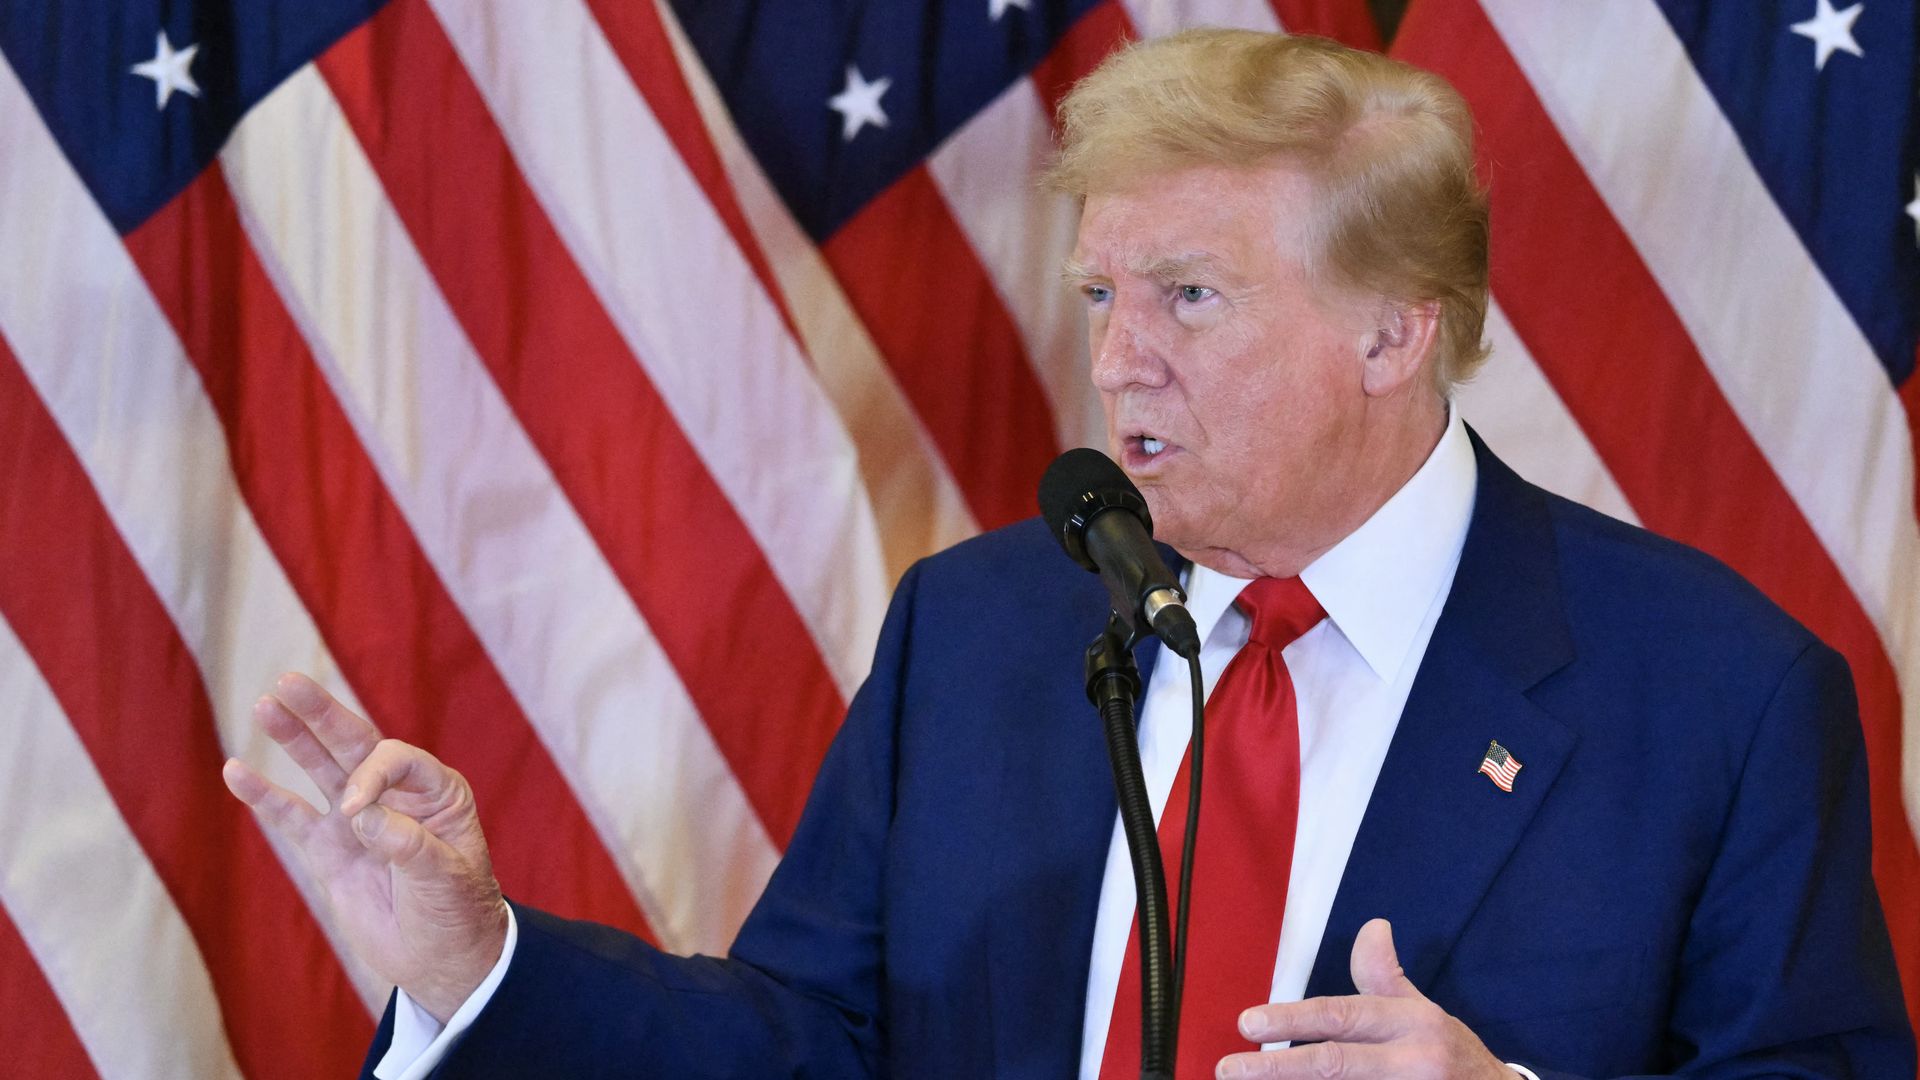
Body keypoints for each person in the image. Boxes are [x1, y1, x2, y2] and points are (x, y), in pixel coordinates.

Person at [221, 29, 1913, 1080]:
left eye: (1191, 295)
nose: (1117, 361)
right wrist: (479, 963)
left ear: (1397, 334)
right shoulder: (982, 633)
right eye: (1103, 294)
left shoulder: (1720, 698)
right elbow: (812, 1048)